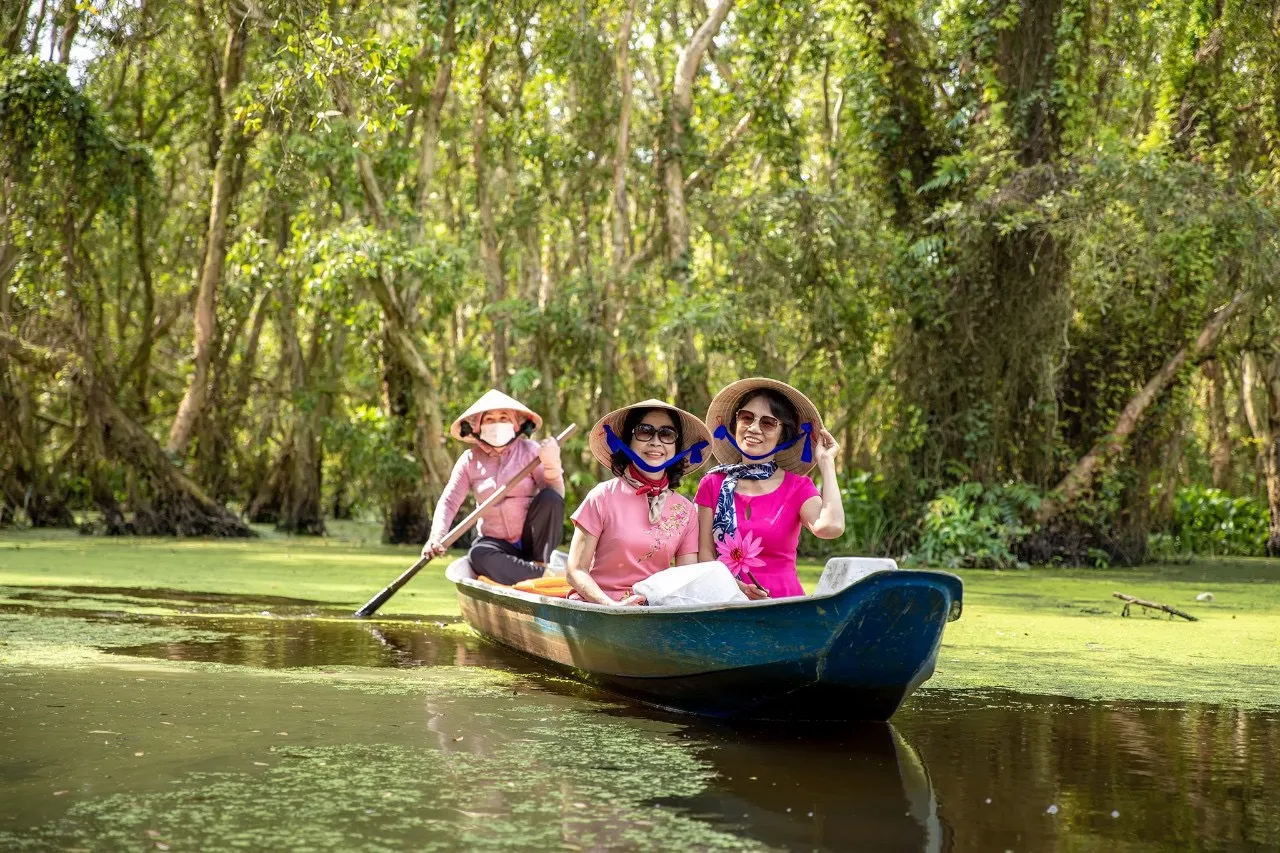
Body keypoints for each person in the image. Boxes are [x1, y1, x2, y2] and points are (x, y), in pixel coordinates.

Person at [696, 378, 845, 599]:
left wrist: (827, 463)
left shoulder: (798, 487)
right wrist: (738, 588)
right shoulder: (713, 483)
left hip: (784, 609)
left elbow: (831, 527)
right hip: (726, 606)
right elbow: (705, 555)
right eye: (746, 417)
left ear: (783, 434)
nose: (753, 428)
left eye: (768, 423)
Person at [565, 400, 713, 606]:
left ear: (677, 447)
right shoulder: (602, 496)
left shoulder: (686, 511)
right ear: (628, 441)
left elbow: (684, 579)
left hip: (654, 612)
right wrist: (612, 606)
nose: (655, 441)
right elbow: (575, 570)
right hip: (599, 607)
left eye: (667, 434)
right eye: (645, 431)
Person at [423, 390, 564, 585]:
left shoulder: (531, 452)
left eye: (503, 418)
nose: (497, 424)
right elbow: (449, 501)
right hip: (496, 543)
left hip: (532, 541)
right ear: (478, 427)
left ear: (516, 425)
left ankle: (540, 564)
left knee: (550, 497)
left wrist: (551, 464)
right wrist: (436, 536)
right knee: (477, 555)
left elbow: (556, 497)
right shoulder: (470, 460)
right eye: (489, 419)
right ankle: (542, 576)